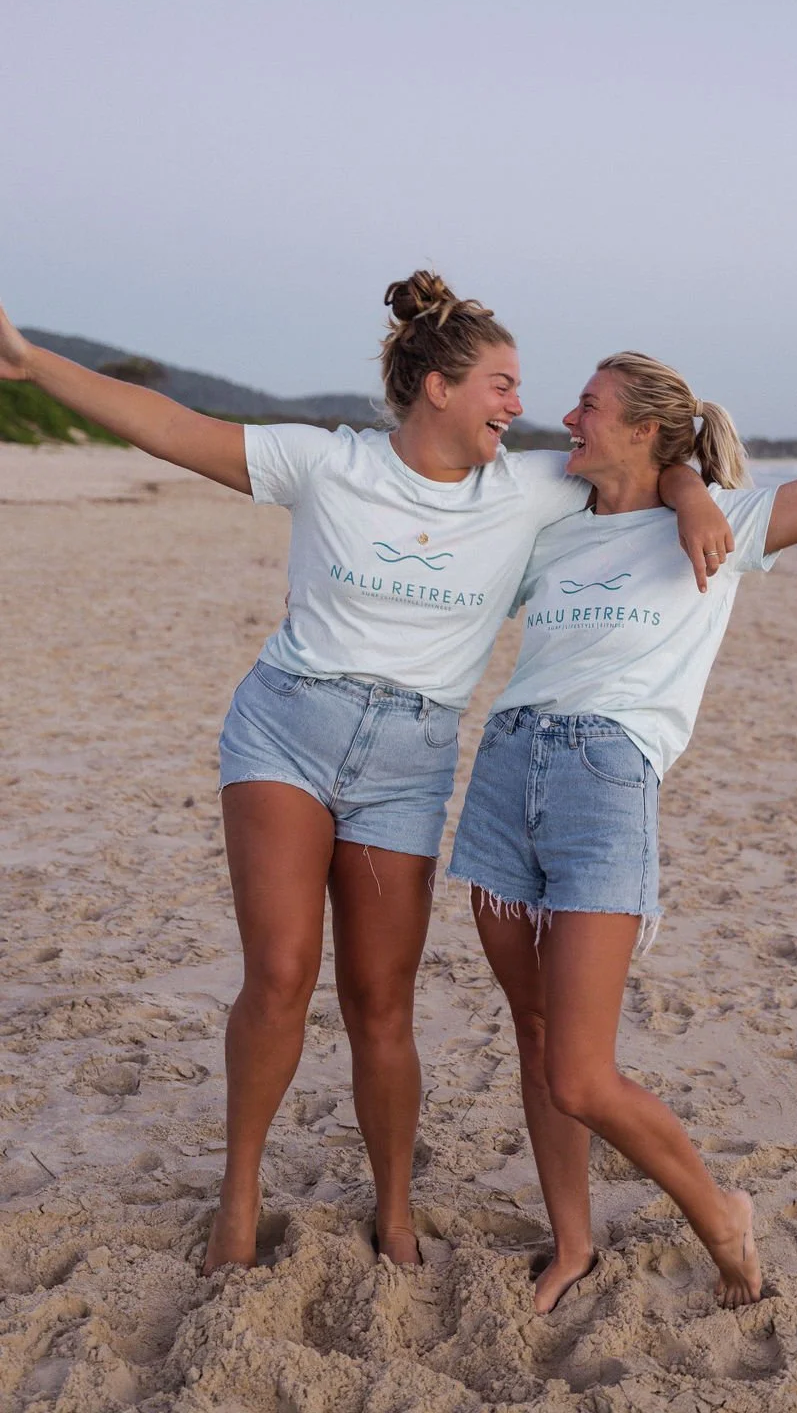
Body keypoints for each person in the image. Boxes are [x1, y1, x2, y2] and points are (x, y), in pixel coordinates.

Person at [0, 281, 730, 1273]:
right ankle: (239, 1196)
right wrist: (34, 364)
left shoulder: (530, 490)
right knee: (282, 974)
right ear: (437, 386)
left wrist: (690, 494)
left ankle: (394, 1207)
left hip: (410, 760)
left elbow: (651, 464)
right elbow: (174, 426)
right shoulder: (324, 462)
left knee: (380, 1002)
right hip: (288, 727)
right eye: (501, 384)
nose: (521, 406)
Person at [450, 349, 797, 1314]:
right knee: (534, 1032)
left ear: (643, 430)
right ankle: (574, 1244)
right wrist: (680, 488)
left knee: (582, 1074)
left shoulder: (728, 528)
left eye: (589, 406)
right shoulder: (553, 520)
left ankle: (719, 1212)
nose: (569, 417)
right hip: (506, 774)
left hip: (605, 783)